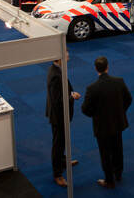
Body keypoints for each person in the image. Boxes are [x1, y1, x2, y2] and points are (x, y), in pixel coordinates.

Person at [81, 56, 132, 189]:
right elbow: (128, 99)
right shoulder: (119, 82)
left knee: (105, 154)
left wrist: (95, 115)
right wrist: (120, 112)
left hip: (102, 126)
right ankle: (118, 173)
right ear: (108, 67)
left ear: (95, 69)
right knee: (118, 149)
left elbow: (85, 109)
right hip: (117, 123)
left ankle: (109, 180)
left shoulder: (92, 88)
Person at [46, 54, 80, 187]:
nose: (69, 57)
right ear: (59, 58)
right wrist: (72, 97)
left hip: (60, 114)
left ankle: (62, 161)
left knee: (62, 140)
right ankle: (58, 174)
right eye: (66, 55)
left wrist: (70, 94)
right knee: (58, 144)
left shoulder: (57, 69)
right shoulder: (55, 75)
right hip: (58, 116)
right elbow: (57, 100)